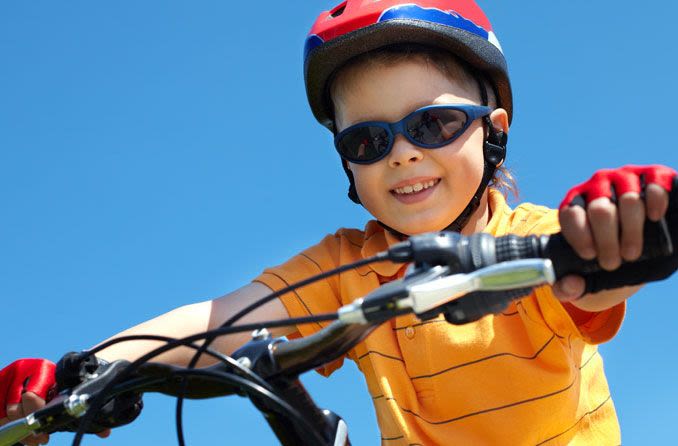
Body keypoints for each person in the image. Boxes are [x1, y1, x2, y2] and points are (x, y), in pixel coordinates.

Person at [1, 1, 676, 444]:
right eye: (369, 141)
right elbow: (218, 321)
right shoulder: (349, 266)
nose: (404, 152)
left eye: (434, 123)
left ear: (494, 132)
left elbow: (596, 282)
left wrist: (615, 231)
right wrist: (80, 370)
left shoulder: (527, 237)